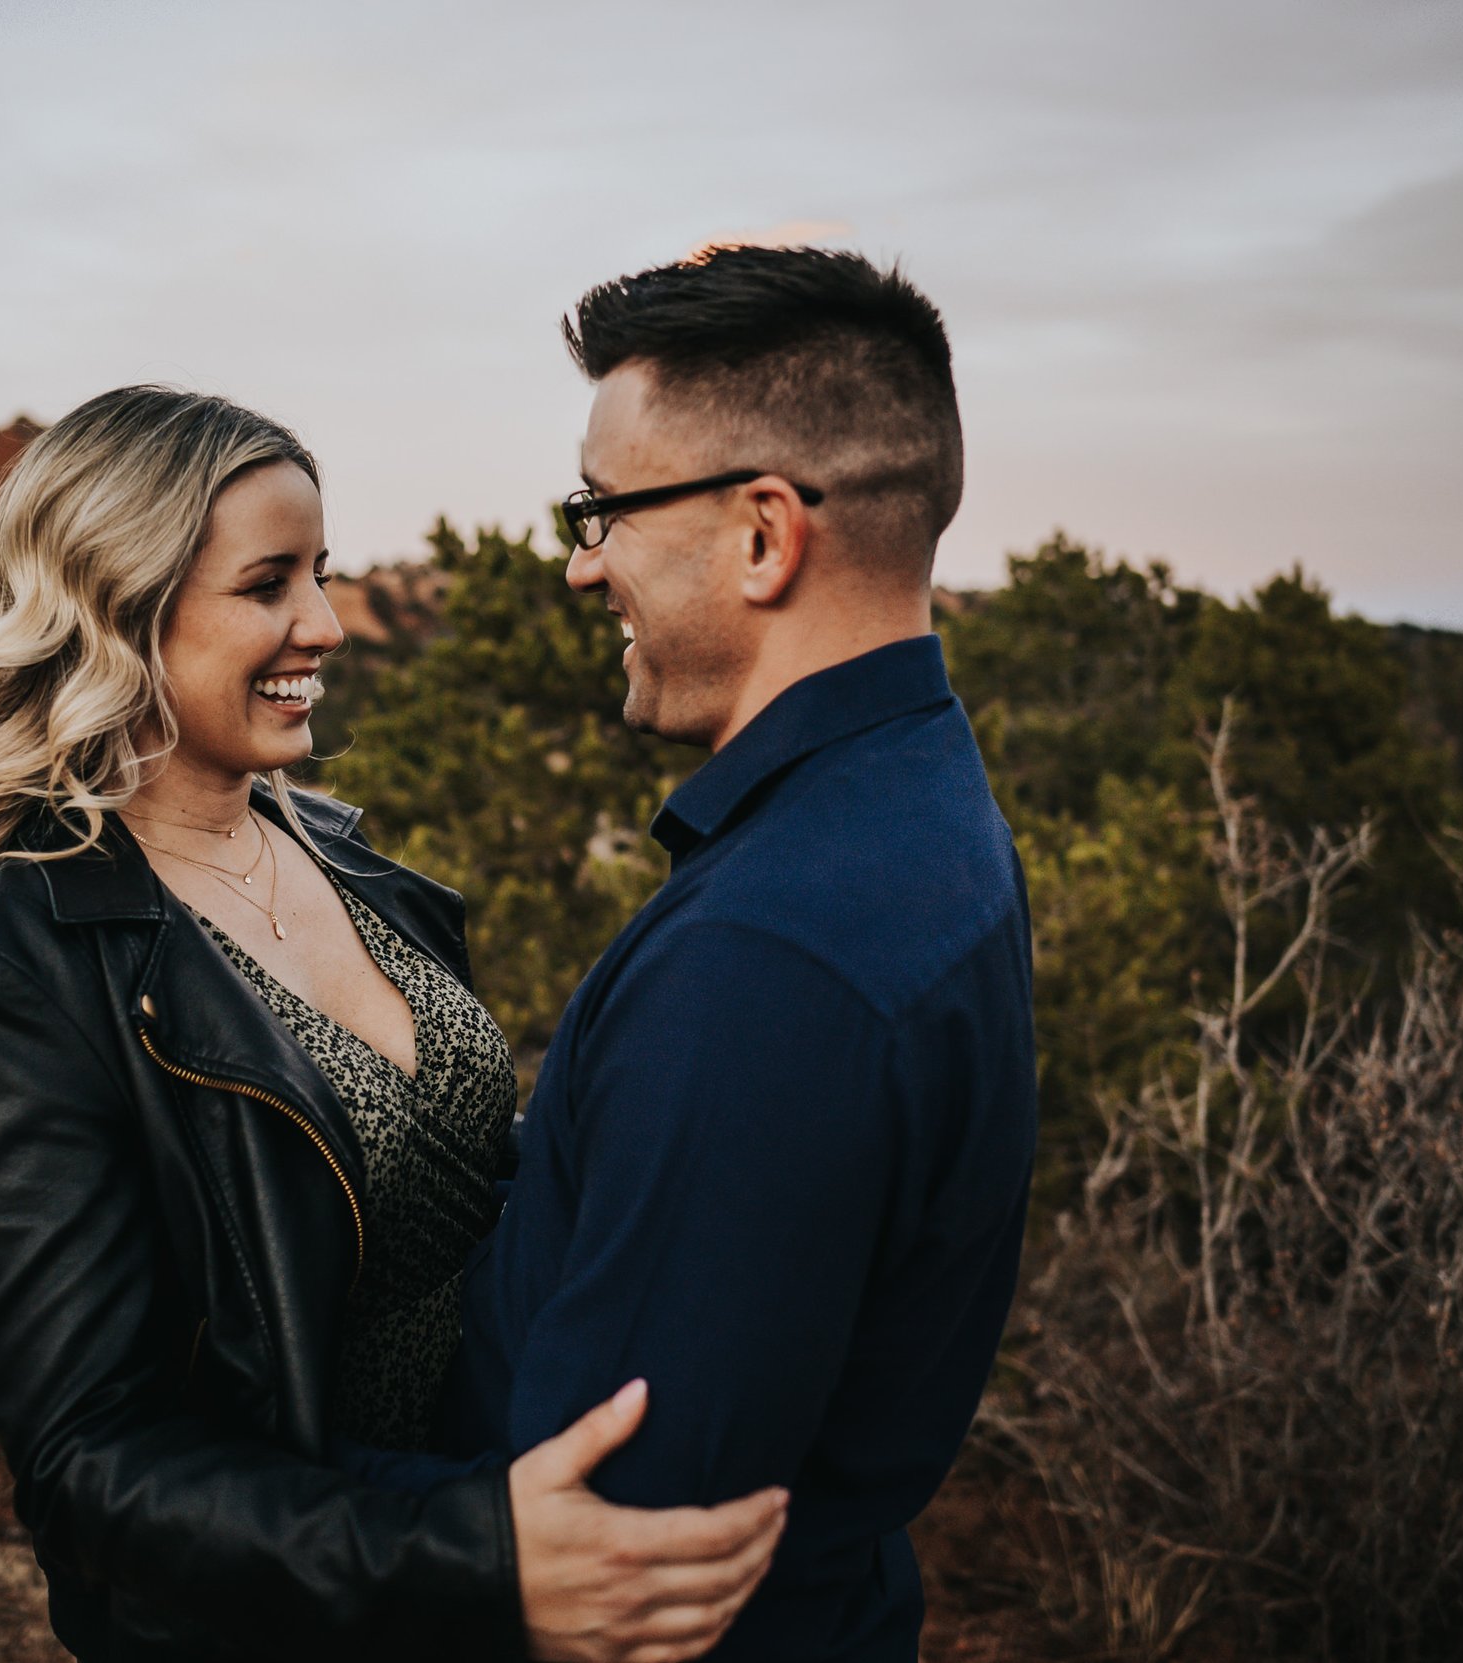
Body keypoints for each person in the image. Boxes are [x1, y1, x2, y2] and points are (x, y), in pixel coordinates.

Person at [0, 385, 786, 1663]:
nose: (327, 623)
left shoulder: (349, 858)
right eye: (269, 584)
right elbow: (93, 1468)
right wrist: (475, 1557)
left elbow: (467, 1190)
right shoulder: (5, 974)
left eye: (325, 572)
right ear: (117, 608)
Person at [440, 246, 1040, 1661]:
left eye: (602, 509)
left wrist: (220, 1503)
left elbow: (621, 1553)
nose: (583, 563)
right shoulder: (923, 804)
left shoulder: (770, 959)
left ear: (767, 534)